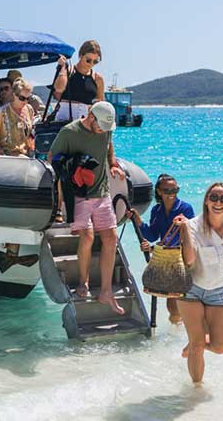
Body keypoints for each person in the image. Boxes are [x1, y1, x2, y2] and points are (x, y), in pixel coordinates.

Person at [47, 101, 126, 315]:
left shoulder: (106, 130)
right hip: (78, 195)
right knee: (88, 236)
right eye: (100, 126)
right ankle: (84, 282)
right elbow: (51, 158)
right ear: (90, 116)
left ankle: (107, 292)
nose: (103, 131)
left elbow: (108, 147)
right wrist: (71, 168)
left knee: (111, 238)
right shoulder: (69, 132)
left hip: (101, 192)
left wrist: (114, 165)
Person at [175, 182, 223, 384]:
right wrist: (185, 229)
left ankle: (196, 343)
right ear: (206, 201)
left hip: (218, 290)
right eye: (213, 197)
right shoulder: (194, 225)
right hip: (191, 289)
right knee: (197, 345)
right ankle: (195, 392)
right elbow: (190, 260)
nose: (218, 202)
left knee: (220, 346)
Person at [127, 174, 196, 324]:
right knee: (172, 306)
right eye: (167, 190)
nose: (171, 194)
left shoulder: (186, 209)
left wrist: (152, 249)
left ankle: (185, 333)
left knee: (177, 303)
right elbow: (152, 235)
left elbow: (186, 238)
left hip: (184, 260)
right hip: (169, 262)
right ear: (159, 191)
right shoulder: (156, 210)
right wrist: (138, 220)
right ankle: (177, 336)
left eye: (175, 190)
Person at [52, 40, 105, 121]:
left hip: (85, 124)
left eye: (95, 61)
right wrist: (63, 68)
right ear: (81, 55)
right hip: (64, 121)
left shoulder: (98, 78)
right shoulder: (69, 71)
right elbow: (59, 89)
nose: (91, 64)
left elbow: (100, 105)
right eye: (88, 60)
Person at [0, 77, 35, 157]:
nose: (25, 101)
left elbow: (31, 132)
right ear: (14, 94)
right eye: (22, 98)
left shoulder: (29, 110)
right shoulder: (3, 111)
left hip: (26, 157)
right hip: (8, 158)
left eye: (27, 98)